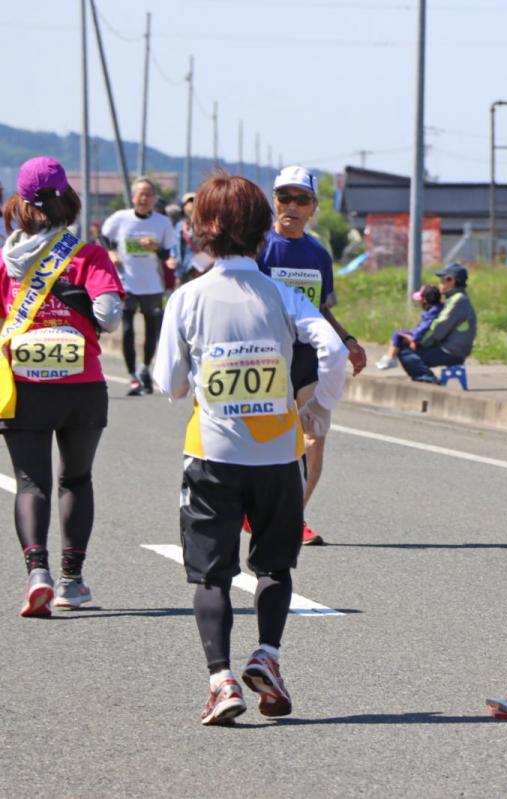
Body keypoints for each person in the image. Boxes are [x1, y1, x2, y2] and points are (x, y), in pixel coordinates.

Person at [152, 171, 348, 725]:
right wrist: (315, 405)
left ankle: (221, 682)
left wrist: (198, 379)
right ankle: (267, 655)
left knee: (211, 575)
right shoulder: (280, 293)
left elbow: (168, 382)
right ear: (263, 229)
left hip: (213, 453)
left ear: (201, 231)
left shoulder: (187, 298)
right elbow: (331, 350)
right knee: (274, 565)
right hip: (280, 453)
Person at [0, 157, 123, 616]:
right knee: (76, 478)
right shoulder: (87, 255)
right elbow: (109, 317)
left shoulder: (5, 262)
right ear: (66, 198)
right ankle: (72, 581)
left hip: (24, 385)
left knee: (30, 483)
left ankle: (38, 573)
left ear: (21, 205)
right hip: (82, 385)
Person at [257, 166, 367, 545]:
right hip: (267, 354)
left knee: (314, 436)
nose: (292, 205)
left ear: (313, 207)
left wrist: (348, 340)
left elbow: (322, 308)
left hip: (308, 355)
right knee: (267, 434)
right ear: (274, 201)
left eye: (301, 199)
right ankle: (253, 508)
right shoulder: (260, 248)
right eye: (284, 197)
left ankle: (294, 516)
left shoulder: (318, 253)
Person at [100, 176, 177, 395]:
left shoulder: (162, 223)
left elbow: (168, 253)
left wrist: (155, 247)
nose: (144, 198)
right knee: (127, 329)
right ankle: (132, 375)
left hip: (152, 283)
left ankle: (145, 369)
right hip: (126, 282)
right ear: (133, 197)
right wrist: (111, 252)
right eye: (140, 194)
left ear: (154, 199)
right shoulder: (120, 218)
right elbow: (105, 236)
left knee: (151, 330)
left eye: (149, 194)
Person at [398, 262, 477, 383]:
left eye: (442, 280)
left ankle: (429, 379)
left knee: (405, 352)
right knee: (408, 349)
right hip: (452, 348)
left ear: (451, 280)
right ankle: (425, 377)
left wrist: (418, 342)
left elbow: (439, 327)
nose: (440, 284)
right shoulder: (455, 299)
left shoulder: (458, 301)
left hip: (451, 352)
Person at [376, 284, 442, 370]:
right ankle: (390, 357)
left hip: (420, 338)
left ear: (425, 300)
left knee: (397, 334)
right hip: (422, 335)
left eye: (420, 300)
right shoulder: (438, 309)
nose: (419, 302)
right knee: (400, 333)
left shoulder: (432, 313)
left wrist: (414, 340)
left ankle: (391, 358)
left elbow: (423, 328)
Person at [172, 192, 213, 284]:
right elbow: (174, 246)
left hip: (200, 270)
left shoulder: (206, 226)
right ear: (183, 206)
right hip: (182, 269)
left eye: (194, 201)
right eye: (188, 202)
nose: (191, 204)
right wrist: (172, 258)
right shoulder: (179, 226)